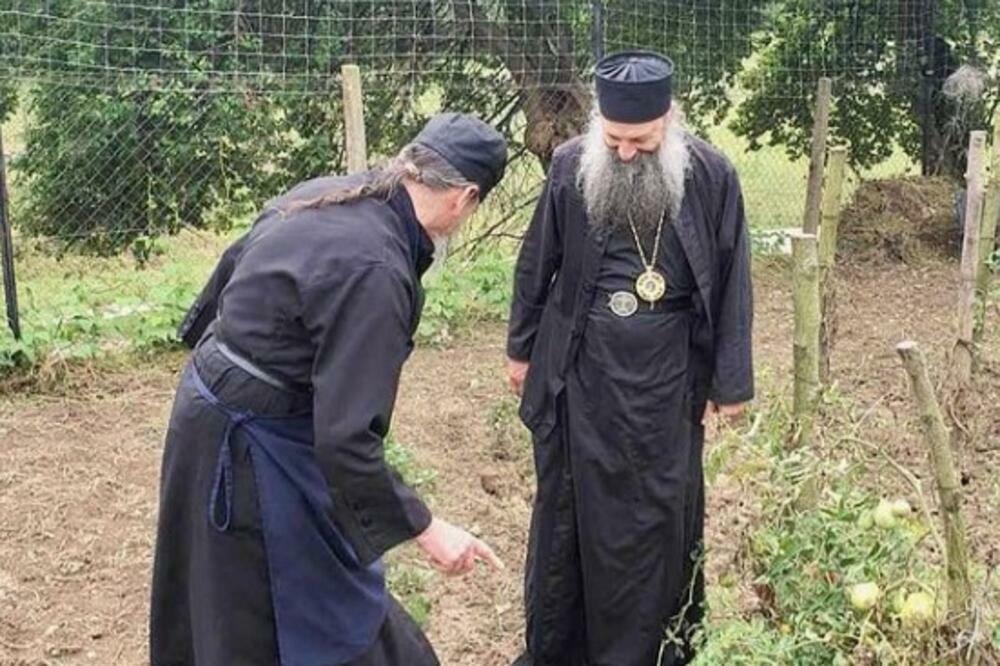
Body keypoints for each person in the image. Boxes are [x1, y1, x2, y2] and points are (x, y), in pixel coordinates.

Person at [151, 112, 508, 666]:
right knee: (302, 614)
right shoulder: (377, 269)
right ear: (464, 198)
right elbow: (346, 440)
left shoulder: (332, 191)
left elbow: (230, 268)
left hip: (207, 400)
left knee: (225, 596)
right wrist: (427, 528)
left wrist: (228, 362)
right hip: (254, 445)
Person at [506, 51, 754, 666]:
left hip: (669, 376)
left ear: (668, 121)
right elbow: (537, 262)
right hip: (583, 370)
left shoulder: (712, 175)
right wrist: (520, 348)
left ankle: (651, 654)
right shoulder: (571, 166)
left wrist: (732, 381)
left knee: (658, 518)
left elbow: (733, 280)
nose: (623, 153)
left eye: (638, 141)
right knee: (572, 514)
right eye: (613, 138)